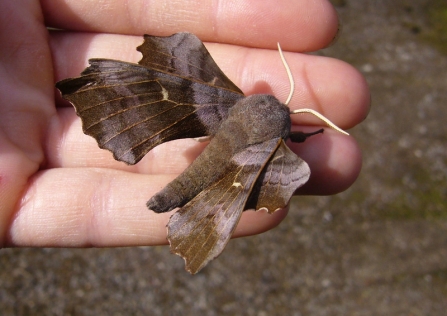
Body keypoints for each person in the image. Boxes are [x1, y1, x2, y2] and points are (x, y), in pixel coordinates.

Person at [0, 0, 369, 248]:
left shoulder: (227, 99)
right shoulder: (274, 151)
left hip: (210, 110)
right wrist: (308, 133)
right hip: (233, 162)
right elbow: (294, 141)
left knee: (184, 55)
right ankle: (195, 225)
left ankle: (191, 218)